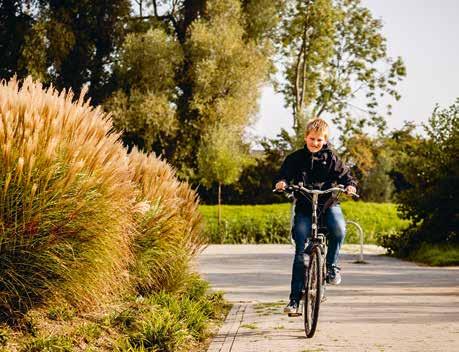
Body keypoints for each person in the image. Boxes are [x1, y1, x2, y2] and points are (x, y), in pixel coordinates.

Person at [273, 118, 357, 315]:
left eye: (319, 140)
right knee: (300, 252)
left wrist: (351, 186)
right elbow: (283, 175)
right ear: (306, 137)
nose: (315, 143)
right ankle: (294, 301)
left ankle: (331, 266)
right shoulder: (296, 158)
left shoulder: (333, 159)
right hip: (304, 206)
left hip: (328, 204)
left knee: (339, 229)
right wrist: (282, 183)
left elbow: (347, 177)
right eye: (312, 139)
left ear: (325, 140)